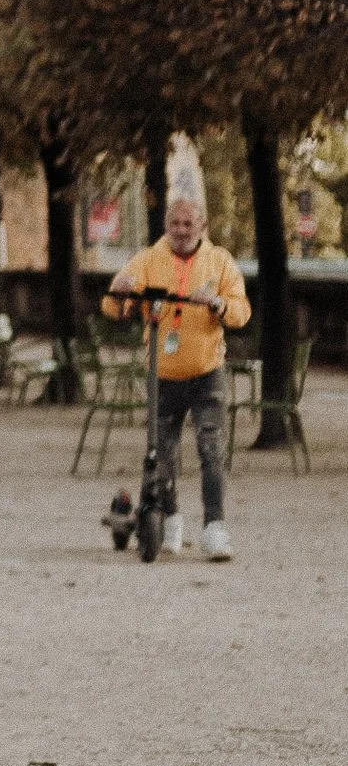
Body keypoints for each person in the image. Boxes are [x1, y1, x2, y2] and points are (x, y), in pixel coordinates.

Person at [104, 161, 250, 560]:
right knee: (161, 452)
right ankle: (169, 519)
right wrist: (120, 294)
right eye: (175, 224)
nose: (181, 231)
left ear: (201, 227)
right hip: (163, 373)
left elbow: (241, 311)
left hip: (207, 369)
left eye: (189, 224)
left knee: (210, 447)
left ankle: (215, 527)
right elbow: (115, 303)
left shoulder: (220, 262)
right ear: (166, 225)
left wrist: (218, 304)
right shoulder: (149, 259)